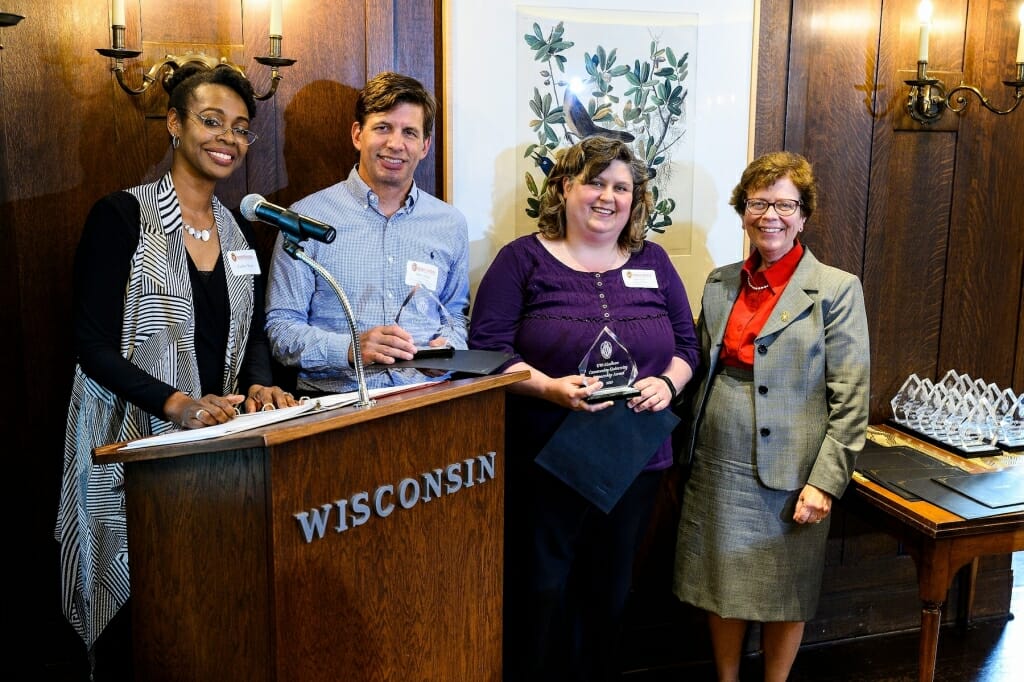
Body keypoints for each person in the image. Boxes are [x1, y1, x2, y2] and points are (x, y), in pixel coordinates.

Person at [54, 63, 297, 678]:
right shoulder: (122, 217)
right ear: (174, 124)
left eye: (241, 129)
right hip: (131, 444)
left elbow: (248, 336)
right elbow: (91, 345)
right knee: (136, 618)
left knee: (201, 608)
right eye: (212, 121)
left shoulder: (240, 228)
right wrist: (176, 403)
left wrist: (259, 383)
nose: (228, 139)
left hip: (216, 451)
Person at [468, 136, 700, 681]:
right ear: (564, 187)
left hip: (636, 460)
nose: (607, 196)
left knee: (610, 593)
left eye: (621, 187)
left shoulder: (654, 261)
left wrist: (667, 384)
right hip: (547, 457)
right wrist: (549, 387)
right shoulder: (521, 259)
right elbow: (487, 352)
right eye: (595, 181)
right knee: (541, 591)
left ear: (635, 199)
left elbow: (688, 348)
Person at [672, 151, 870, 682]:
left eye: (785, 204)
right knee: (720, 583)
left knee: (788, 589)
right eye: (758, 203)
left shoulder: (836, 288)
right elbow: (696, 364)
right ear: (743, 211)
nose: (770, 216)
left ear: (804, 214)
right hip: (716, 460)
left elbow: (852, 398)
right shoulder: (718, 283)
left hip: (793, 471)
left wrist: (825, 483)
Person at [265, 71, 470, 395]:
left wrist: (449, 351)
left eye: (410, 133)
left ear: (425, 145)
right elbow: (281, 329)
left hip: (429, 400)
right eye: (383, 128)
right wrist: (350, 349)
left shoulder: (450, 224)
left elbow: (455, 315)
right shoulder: (304, 219)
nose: (395, 144)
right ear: (358, 134)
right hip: (337, 405)